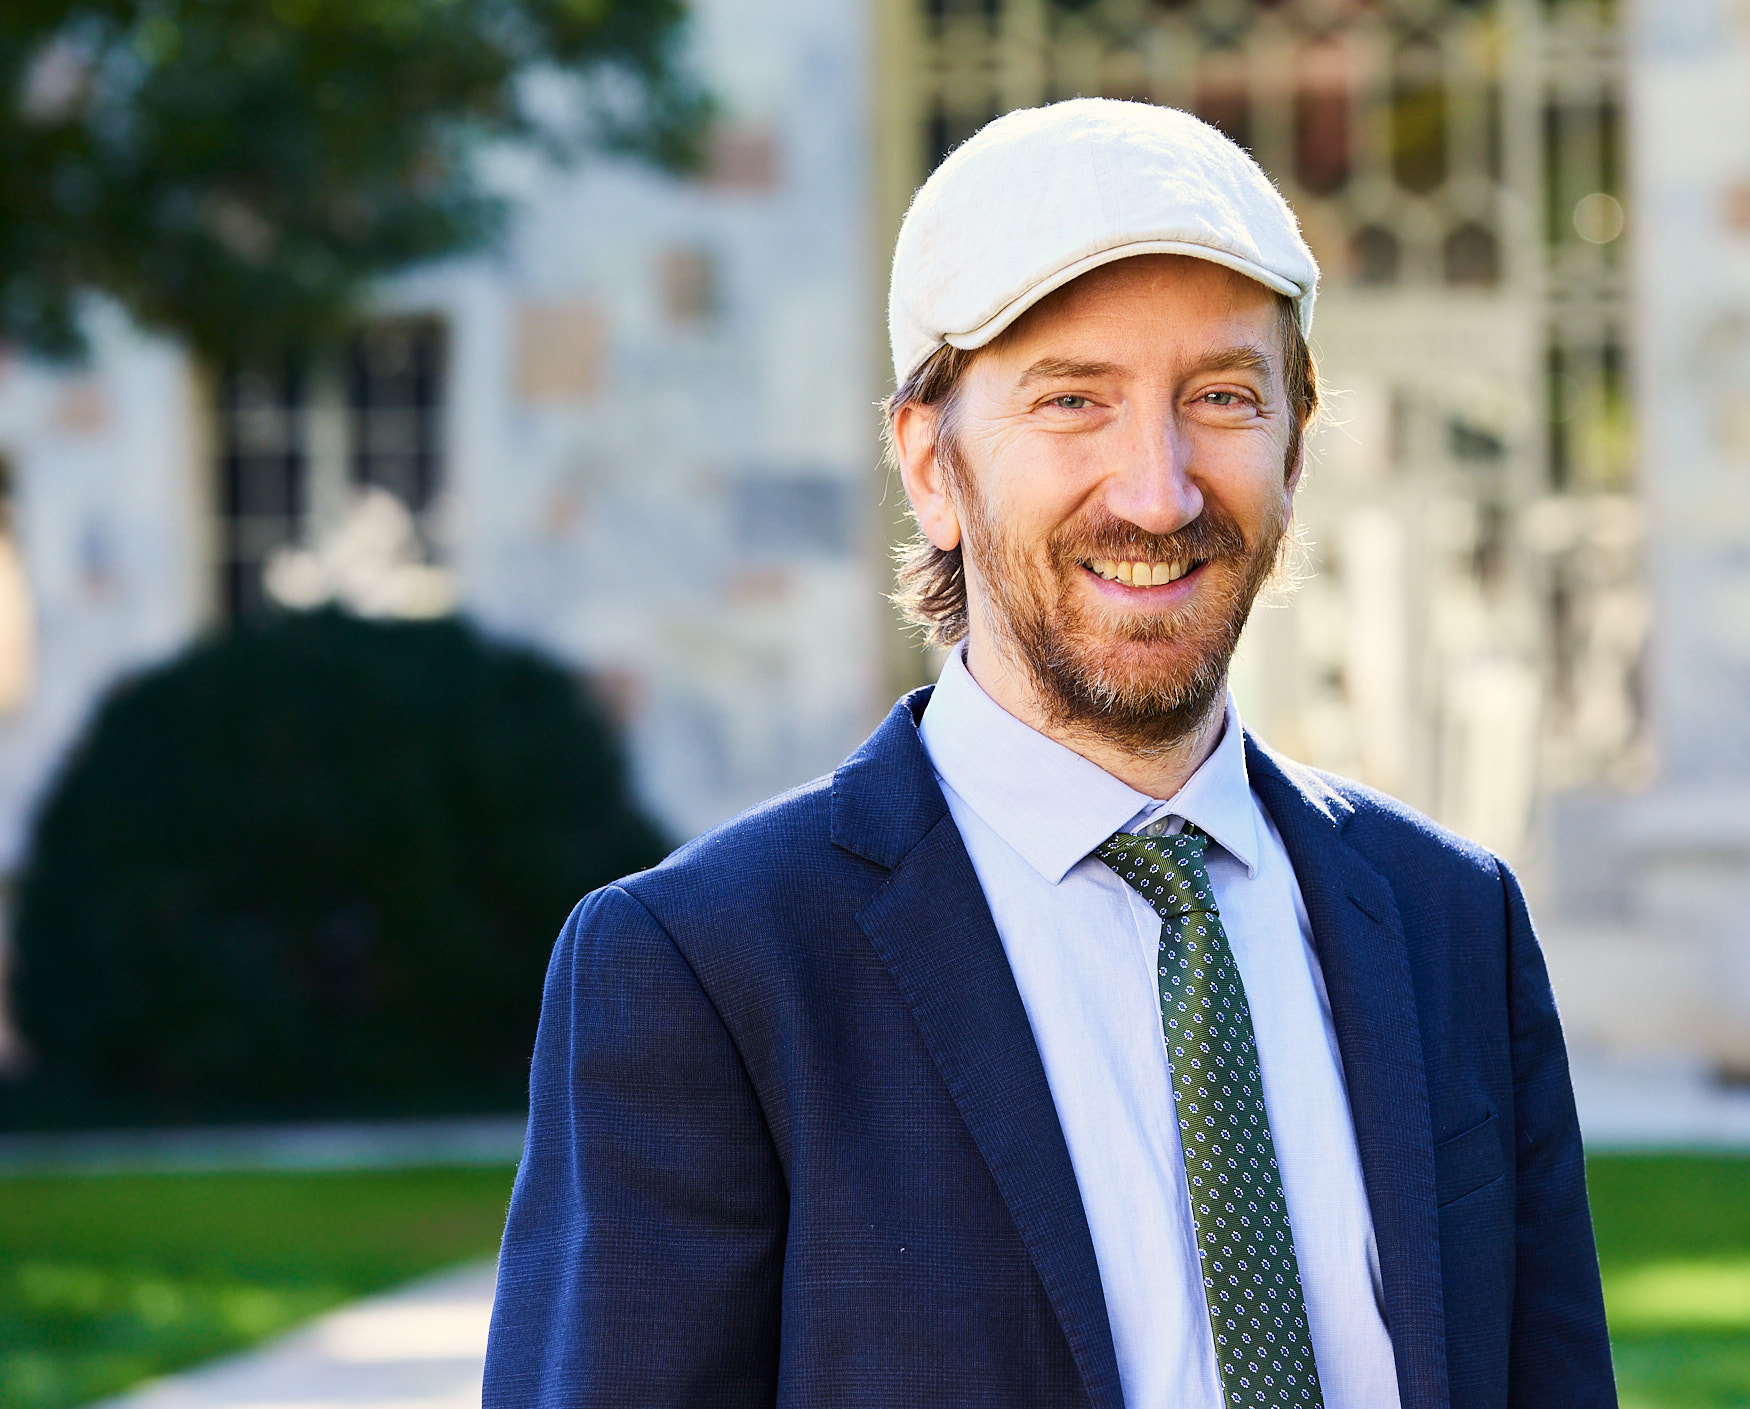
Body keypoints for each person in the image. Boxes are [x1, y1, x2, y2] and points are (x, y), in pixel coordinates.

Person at [484, 99, 1614, 1409]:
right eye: (1073, 399)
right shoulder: (709, 971)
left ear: (1297, 449)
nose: (1159, 490)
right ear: (933, 467)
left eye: (1224, 397)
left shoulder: (1451, 926)